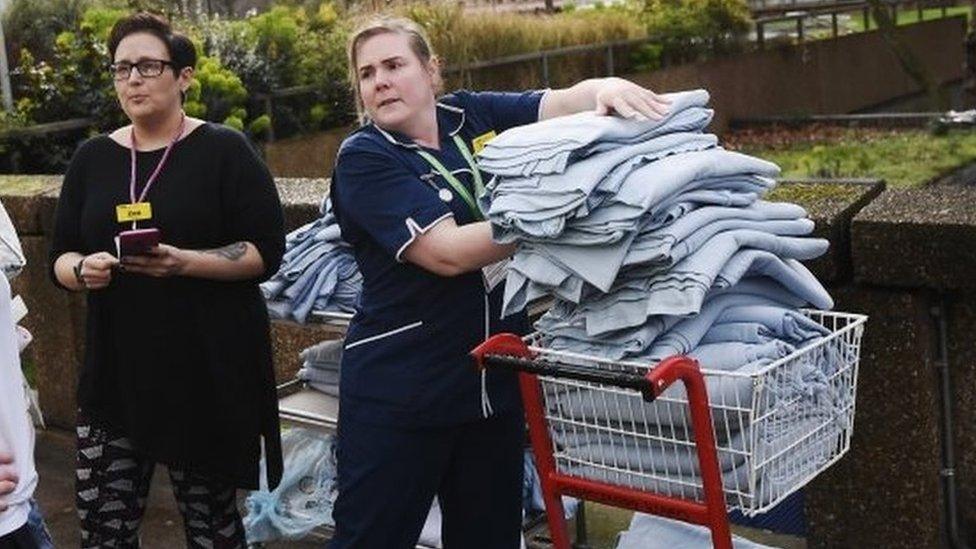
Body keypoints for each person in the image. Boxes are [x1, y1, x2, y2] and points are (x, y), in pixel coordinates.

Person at [329, 16, 670, 548]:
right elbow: (446, 254)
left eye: (394, 65)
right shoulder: (365, 158)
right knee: (373, 537)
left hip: (492, 386)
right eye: (367, 74)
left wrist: (604, 88)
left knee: (489, 537)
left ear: (431, 71)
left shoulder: (471, 115)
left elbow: (555, 104)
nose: (380, 82)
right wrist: (563, 217)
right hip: (403, 394)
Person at [48, 12, 285, 548]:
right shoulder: (92, 159)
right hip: (115, 376)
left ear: (184, 76)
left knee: (212, 530)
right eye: (121, 68)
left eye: (149, 66)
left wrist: (185, 262)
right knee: (102, 530)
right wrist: (83, 271)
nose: (133, 79)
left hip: (204, 375)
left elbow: (266, 252)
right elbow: (59, 258)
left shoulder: (225, 151)